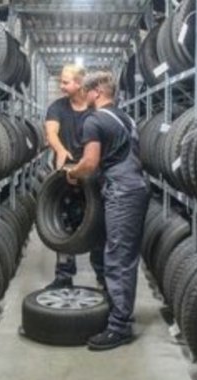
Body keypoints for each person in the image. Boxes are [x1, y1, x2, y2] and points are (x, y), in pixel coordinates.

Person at [64, 71, 149, 351]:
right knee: (118, 254)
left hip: (122, 192)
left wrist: (72, 173)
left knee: (119, 258)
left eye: (86, 91)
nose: (83, 96)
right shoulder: (126, 118)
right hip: (134, 187)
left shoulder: (95, 120)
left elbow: (89, 163)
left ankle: (119, 328)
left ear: (97, 92)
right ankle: (118, 312)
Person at [44, 64, 104, 290]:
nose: (61, 86)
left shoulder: (94, 109)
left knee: (97, 224)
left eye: (65, 82)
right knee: (63, 225)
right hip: (65, 179)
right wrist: (60, 150)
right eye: (60, 81)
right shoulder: (57, 107)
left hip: (91, 176)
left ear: (79, 84)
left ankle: (102, 274)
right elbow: (50, 132)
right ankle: (64, 275)